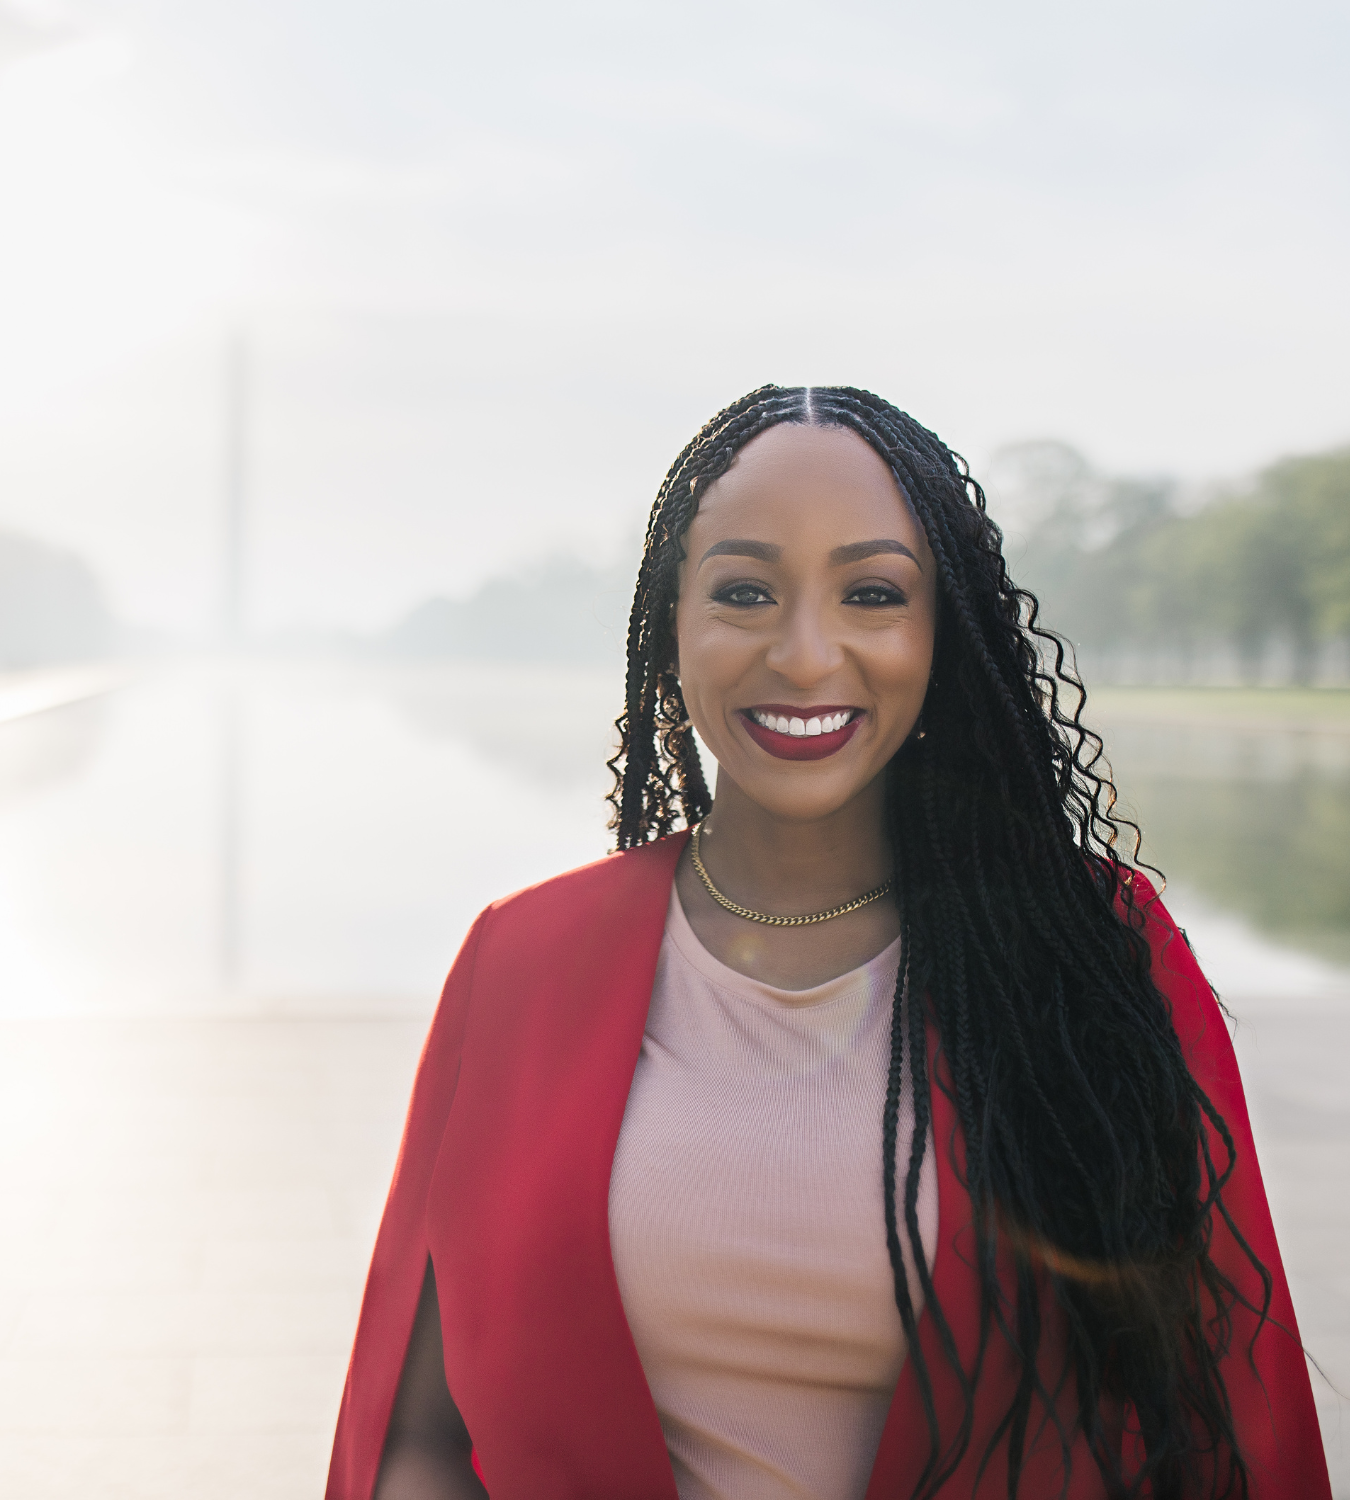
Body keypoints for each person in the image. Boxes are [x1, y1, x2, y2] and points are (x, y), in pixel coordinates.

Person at [327, 386, 1330, 1500]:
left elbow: (1235, 1415)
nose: (806, 657)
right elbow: (420, 1437)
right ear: (671, 623)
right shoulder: (522, 957)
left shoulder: (1093, 950)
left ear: (942, 632)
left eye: (873, 594)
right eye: (745, 592)